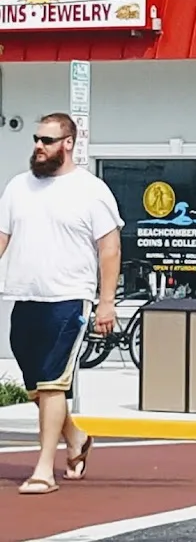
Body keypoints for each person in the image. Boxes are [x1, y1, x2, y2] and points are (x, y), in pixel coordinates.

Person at [0, 113, 124, 495]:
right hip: (25, 297)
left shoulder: (91, 190)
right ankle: (77, 437)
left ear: (68, 143)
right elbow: (2, 236)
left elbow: (109, 249)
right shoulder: (18, 187)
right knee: (37, 387)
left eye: (48, 140)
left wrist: (106, 303)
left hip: (69, 300)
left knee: (53, 384)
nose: (39, 146)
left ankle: (43, 470)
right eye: (37, 139)